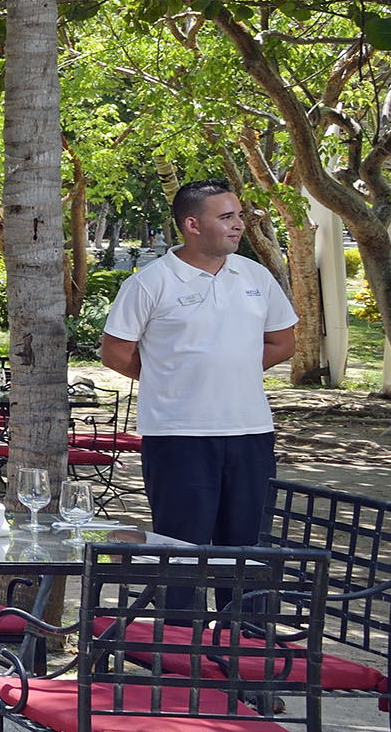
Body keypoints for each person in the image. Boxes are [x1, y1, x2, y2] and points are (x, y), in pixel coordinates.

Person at [100, 180, 299, 553]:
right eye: (226, 217)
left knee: (248, 555)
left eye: (239, 215)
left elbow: (282, 343)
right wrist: (173, 377)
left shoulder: (256, 276)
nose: (238, 224)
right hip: (178, 437)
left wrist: (233, 371)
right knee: (180, 553)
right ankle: (181, 598)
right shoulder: (150, 283)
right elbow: (115, 353)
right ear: (192, 225)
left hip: (251, 434)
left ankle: (241, 598)